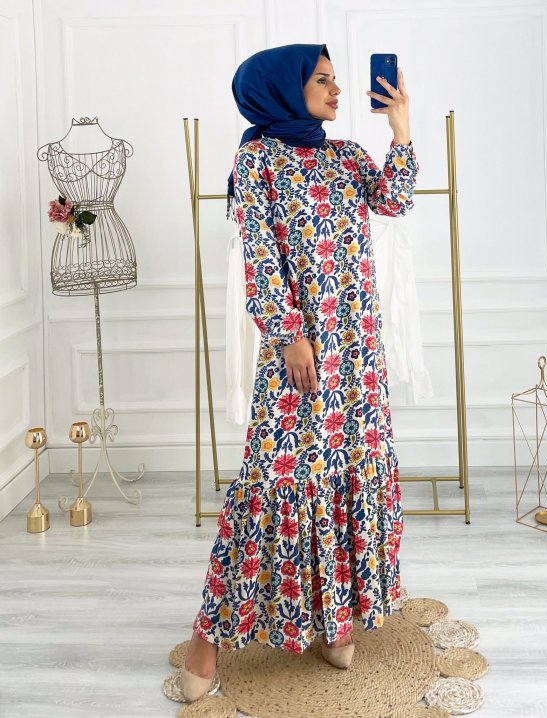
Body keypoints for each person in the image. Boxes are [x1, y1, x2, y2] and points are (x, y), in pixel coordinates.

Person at [181, 42, 419, 702]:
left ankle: (335, 618)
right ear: (283, 88)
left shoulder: (347, 156)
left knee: (346, 475)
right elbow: (259, 253)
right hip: (299, 353)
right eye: (322, 79)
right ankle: (207, 637)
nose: (336, 90)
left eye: (337, 80)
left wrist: (400, 127)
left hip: (357, 356)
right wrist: (288, 334)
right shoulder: (257, 159)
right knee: (272, 482)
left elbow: (395, 200)